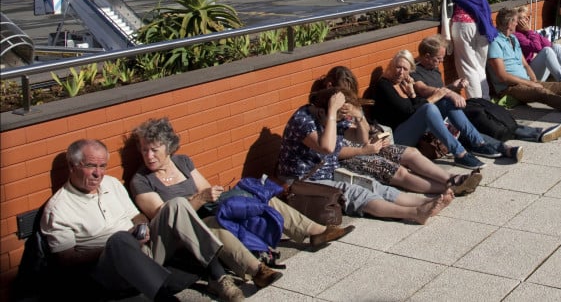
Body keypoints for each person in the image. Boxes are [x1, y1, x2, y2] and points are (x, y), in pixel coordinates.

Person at [128, 118, 354, 289]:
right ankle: (256, 271)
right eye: (144, 150)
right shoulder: (141, 181)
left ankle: (315, 231)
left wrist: (213, 195)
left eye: (154, 149)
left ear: (168, 147)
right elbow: (167, 216)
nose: (148, 156)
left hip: (207, 210)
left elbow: (206, 189)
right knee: (215, 225)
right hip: (185, 230)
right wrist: (199, 199)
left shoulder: (182, 162)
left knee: (258, 197)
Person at [40, 139, 244, 302]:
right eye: (91, 166)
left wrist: (141, 227)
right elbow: (65, 259)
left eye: (102, 166)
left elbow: (136, 215)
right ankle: (165, 297)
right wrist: (114, 246)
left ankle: (217, 275)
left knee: (178, 204)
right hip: (109, 269)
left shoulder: (111, 183)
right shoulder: (58, 208)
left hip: (144, 250)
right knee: (119, 240)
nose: (98, 173)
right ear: (72, 166)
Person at [277, 89, 452, 225]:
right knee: (356, 193)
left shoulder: (331, 118)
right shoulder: (303, 120)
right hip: (302, 180)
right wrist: (332, 113)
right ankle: (415, 213)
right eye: (337, 117)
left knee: (373, 186)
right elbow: (328, 147)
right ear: (323, 112)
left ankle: (424, 203)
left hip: (326, 173)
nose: (340, 121)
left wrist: (359, 116)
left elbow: (361, 139)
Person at [311, 67, 484, 195]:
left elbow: (362, 136)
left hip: (366, 146)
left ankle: (454, 177)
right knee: (397, 171)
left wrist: (360, 118)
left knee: (411, 153)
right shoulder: (318, 112)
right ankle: (451, 187)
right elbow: (331, 150)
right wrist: (364, 149)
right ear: (330, 86)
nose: (347, 99)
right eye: (343, 93)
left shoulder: (349, 103)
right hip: (347, 157)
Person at [372, 50, 496, 169]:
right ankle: (460, 153)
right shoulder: (384, 85)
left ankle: (479, 143)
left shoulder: (403, 84)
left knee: (446, 102)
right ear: (391, 66)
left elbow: (416, 106)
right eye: (398, 67)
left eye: (405, 69)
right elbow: (408, 111)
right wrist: (433, 97)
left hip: (413, 129)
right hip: (396, 138)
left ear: (409, 72)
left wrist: (413, 94)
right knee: (429, 108)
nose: (401, 72)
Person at [409, 35, 527, 161]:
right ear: (427, 57)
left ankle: (503, 144)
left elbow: (441, 91)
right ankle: (500, 148)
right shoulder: (415, 72)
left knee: (475, 119)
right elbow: (423, 89)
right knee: (464, 129)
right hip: (433, 119)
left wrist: (453, 86)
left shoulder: (434, 68)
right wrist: (449, 92)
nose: (441, 62)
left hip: (447, 113)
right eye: (439, 59)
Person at [428, 0, 497, 99]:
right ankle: (486, 102)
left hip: (464, 25)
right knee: (480, 67)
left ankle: (478, 105)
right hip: (483, 25)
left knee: (468, 69)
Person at [513, 4, 561, 85]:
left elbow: (548, 44)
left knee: (556, 46)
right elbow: (537, 48)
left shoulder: (527, 33)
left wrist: (531, 32)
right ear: (516, 22)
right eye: (522, 18)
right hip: (528, 75)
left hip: (536, 70)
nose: (527, 19)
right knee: (547, 51)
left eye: (527, 17)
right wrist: (529, 31)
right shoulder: (516, 35)